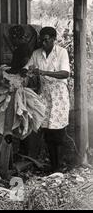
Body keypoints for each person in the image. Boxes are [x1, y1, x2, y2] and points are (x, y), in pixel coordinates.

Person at [25, 26, 70, 173]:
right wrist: (24, 72)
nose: (43, 43)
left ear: (53, 39)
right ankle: (53, 166)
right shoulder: (37, 54)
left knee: (58, 131)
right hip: (44, 95)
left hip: (59, 95)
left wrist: (43, 72)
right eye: (41, 40)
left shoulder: (61, 52)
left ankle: (60, 165)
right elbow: (27, 68)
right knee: (47, 131)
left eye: (46, 40)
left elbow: (65, 74)